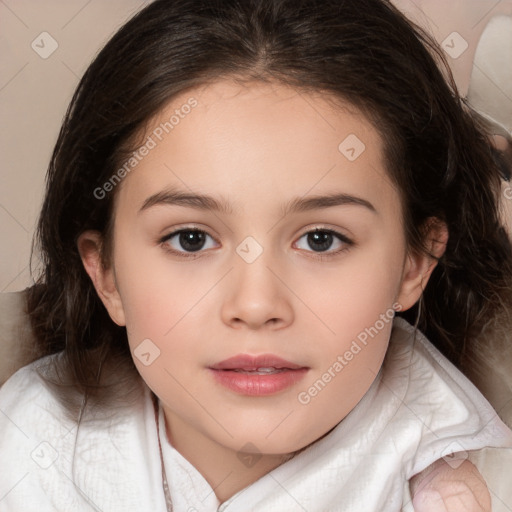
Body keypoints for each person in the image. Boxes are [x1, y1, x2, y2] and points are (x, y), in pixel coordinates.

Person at [1, 0, 511, 510]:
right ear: (107, 273)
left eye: (320, 239)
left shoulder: (471, 487)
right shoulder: (26, 447)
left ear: (413, 263)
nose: (255, 304)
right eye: (191, 239)